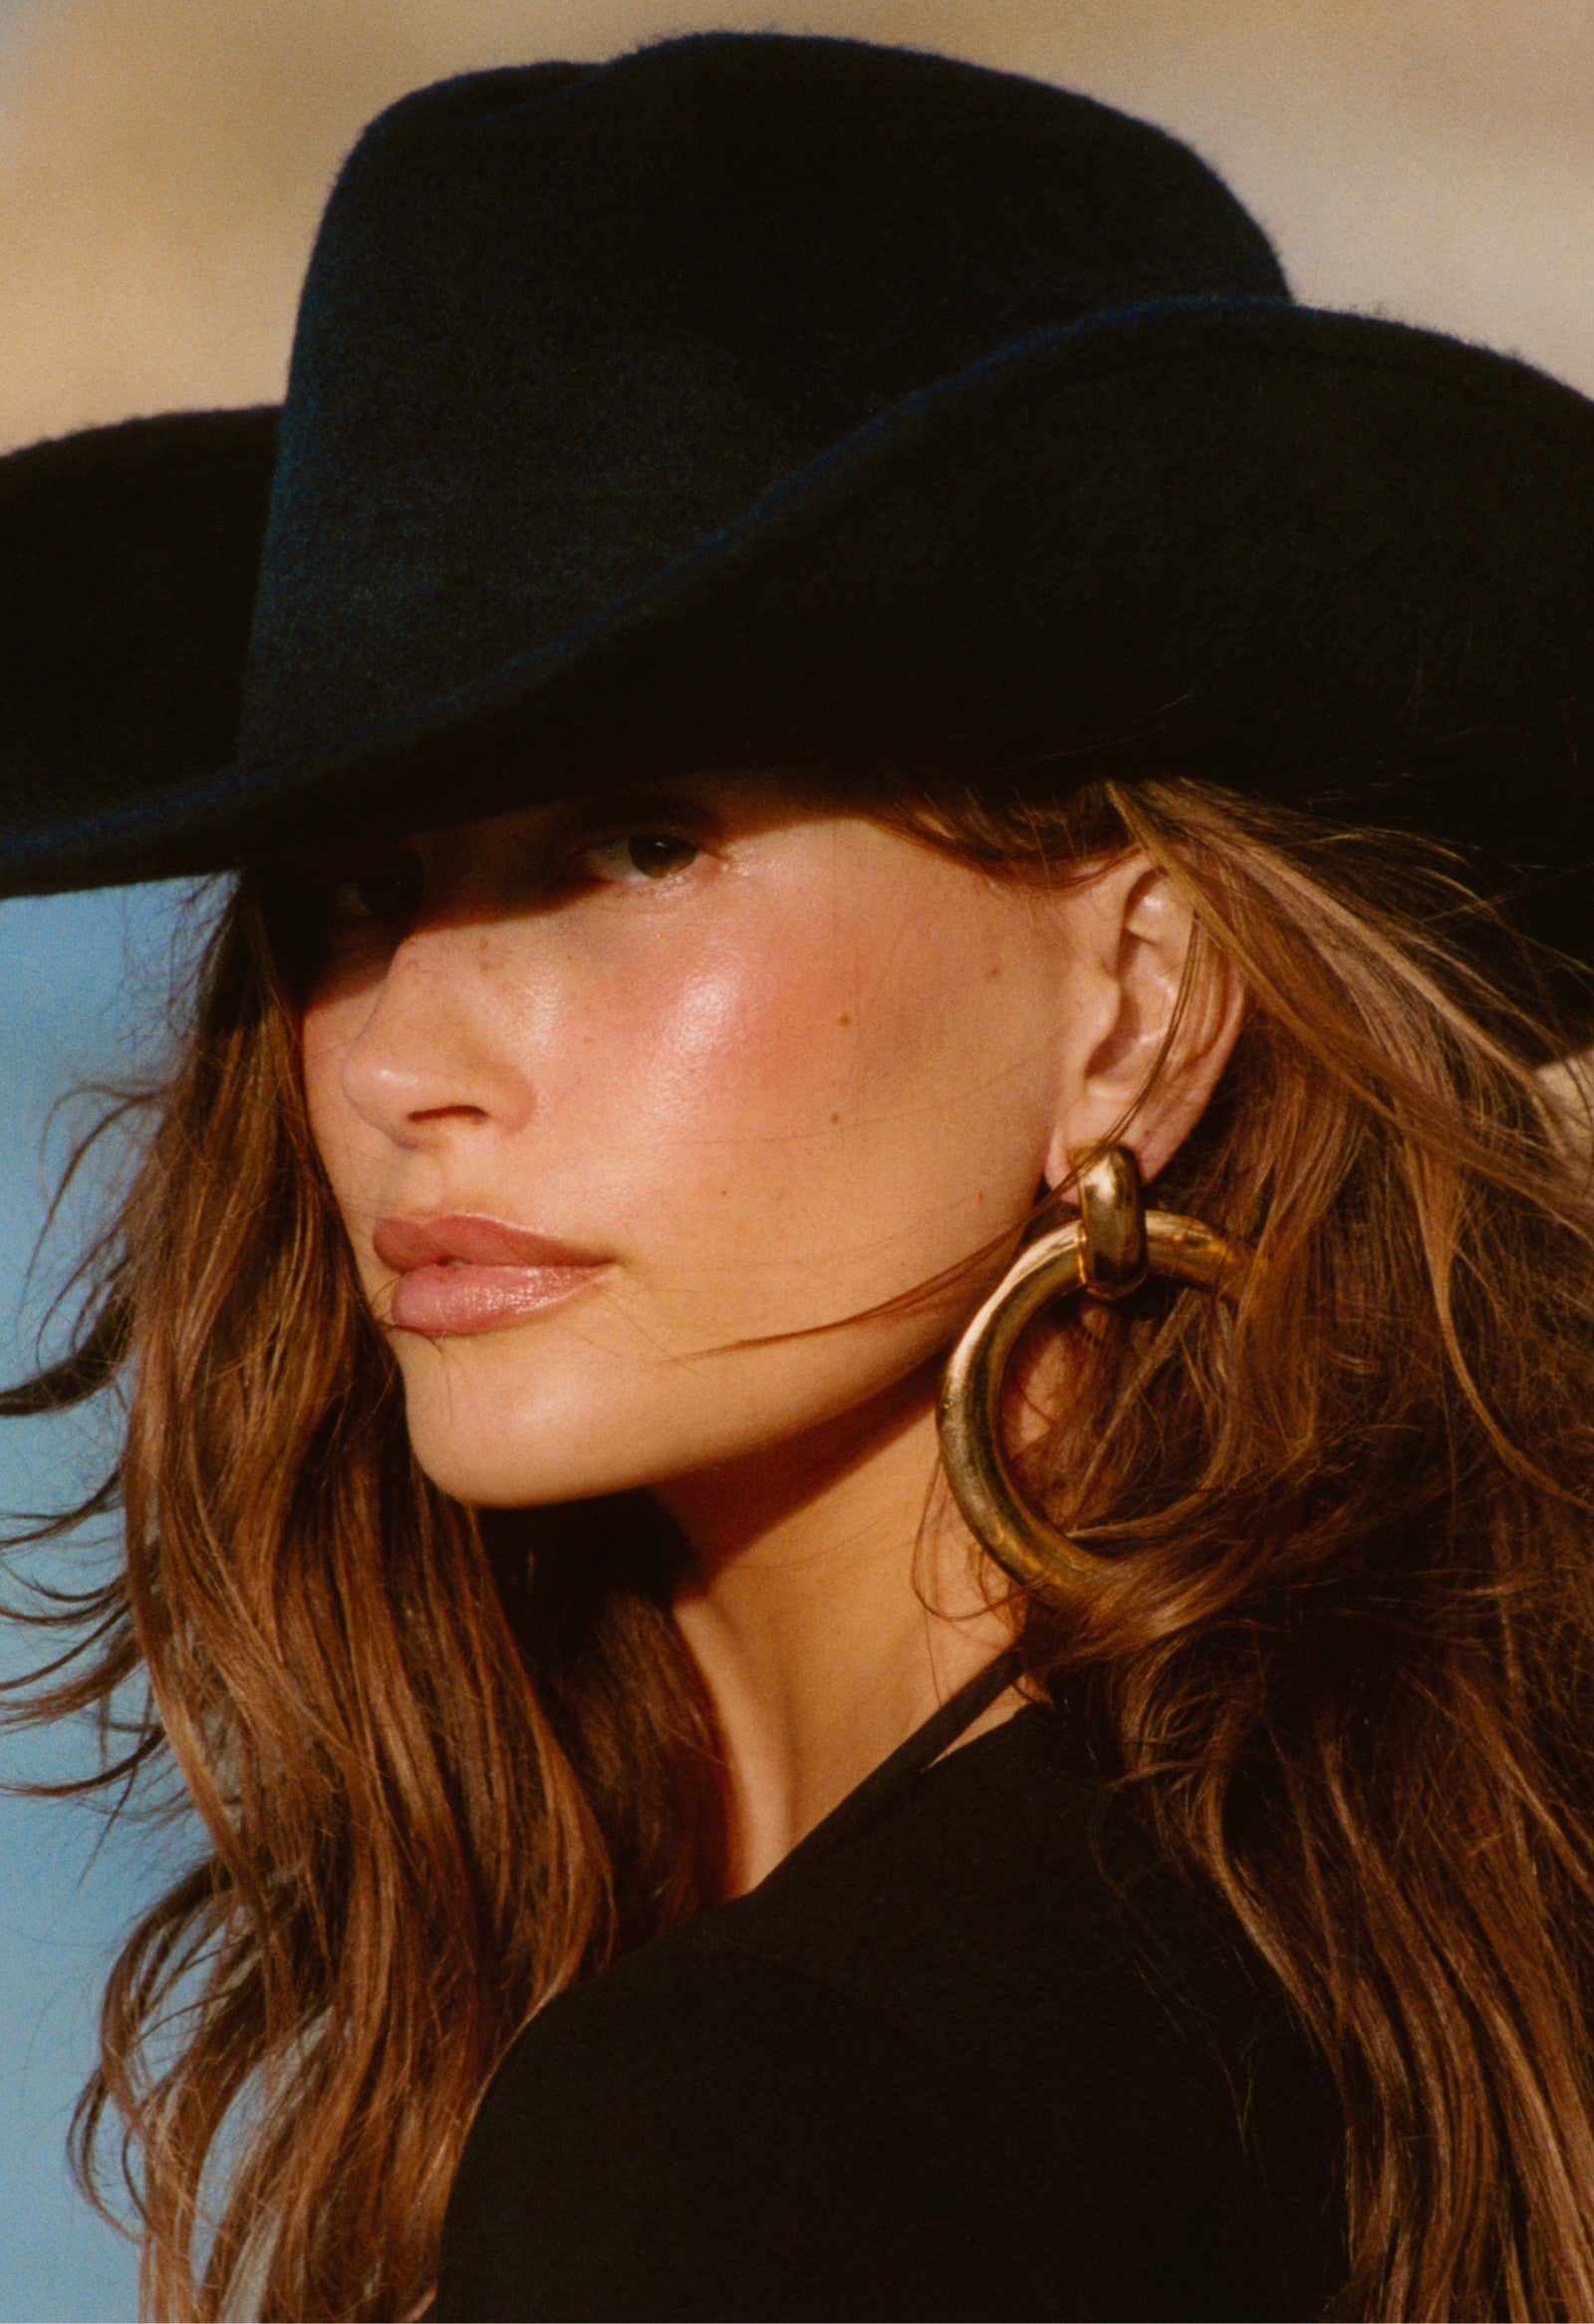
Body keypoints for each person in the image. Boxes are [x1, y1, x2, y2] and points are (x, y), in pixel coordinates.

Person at [2, 28, 1594, 2323]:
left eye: (636, 847)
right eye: (358, 884)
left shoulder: (760, 2123)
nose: (402, 1065)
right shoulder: (1436, 1918)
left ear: (1135, 1001)